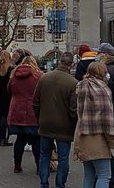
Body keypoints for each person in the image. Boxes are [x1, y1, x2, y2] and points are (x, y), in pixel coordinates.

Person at [34, 52, 78, 188]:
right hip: (64, 126)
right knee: (63, 158)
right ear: (71, 64)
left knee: (45, 155)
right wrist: (74, 126)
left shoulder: (44, 78)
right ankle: (60, 184)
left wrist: (39, 118)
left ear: (59, 62)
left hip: (45, 123)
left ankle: (44, 183)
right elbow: (73, 109)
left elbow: (35, 102)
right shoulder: (73, 83)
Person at [74, 62, 114, 188]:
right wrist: (113, 143)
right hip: (99, 139)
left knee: (89, 174)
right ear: (101, 72)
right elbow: (107, 120)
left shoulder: (81, 86)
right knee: (104, 175)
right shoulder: (103, 89)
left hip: (83, 135)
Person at [8, 54, 42, 173]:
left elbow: (9, 90)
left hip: (17, 110)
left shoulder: (14, 76)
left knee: (20, 139)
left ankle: (17, 165)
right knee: (36, 140)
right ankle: (39, 167)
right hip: (33, 111)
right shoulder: (38, 76)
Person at [96, 43, 114, 188]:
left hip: (107, 113)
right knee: (111, 148)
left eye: (99, 53)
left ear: (105, 55)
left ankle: (108, 180)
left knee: (108, 149)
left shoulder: (106, 71)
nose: (97, 56)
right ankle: (110, 179)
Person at [0, 51, 14, 147]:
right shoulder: (10, 69)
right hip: (7, 95)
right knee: (5, 117)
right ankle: (4, 139)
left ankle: (0, 139)